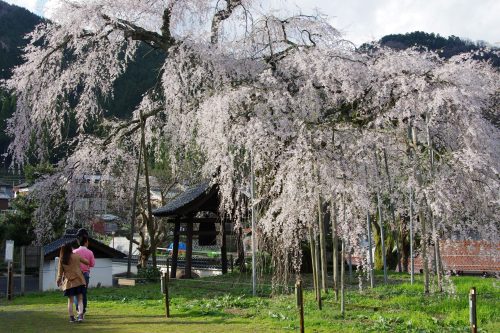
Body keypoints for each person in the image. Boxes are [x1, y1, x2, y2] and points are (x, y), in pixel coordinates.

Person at [56, 242, 89, 323]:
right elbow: (87, 262)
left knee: (70, 301)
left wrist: (58, 280)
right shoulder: (76, 256)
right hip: (79, 281)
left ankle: (71, 318)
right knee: (80, 299)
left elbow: (59, 273)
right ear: (70, 248)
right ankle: (80, 316)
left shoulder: (62, 259)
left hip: (69, 282)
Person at [73, 230, 95, 318]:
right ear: (86, 242)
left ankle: (78, 310)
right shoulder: (90, 252)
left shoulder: (74, 252)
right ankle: (83, 310)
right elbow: (92, 264)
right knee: (83, 293)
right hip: (85, 275)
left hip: (76, 274)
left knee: (76, 293)